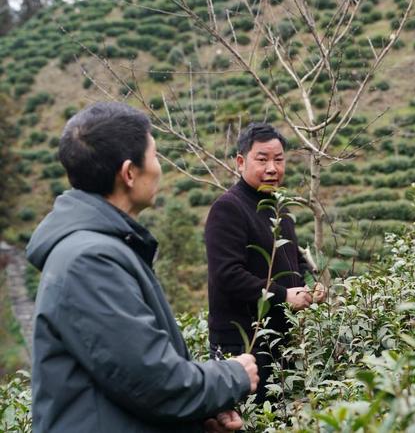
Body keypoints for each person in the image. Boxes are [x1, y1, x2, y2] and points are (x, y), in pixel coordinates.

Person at [27, 102, 258, 433]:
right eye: (155, 155)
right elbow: (153, 381)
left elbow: (120, 382)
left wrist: (196, 418)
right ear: (129, 173)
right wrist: (233, 376)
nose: (160, 167)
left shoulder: (104, 248)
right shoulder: (89, 261)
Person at [205, 123, 325, 404]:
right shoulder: (229, 208)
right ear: (240, 161)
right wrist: (283, 296)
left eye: (279, 160)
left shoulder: (278, 208)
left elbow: (295, 260)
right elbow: (228, 275)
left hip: (279, 342)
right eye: (262, 159)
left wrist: (312, 286)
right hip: (242, 344)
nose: (272, 168)